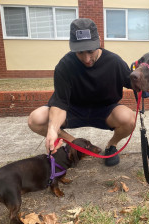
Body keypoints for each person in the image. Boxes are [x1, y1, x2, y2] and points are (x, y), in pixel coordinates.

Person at [28, 18, 135, 167]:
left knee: (129, 118)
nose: (86, 59)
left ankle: (111, 146)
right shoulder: (65, 65)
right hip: (73, 110)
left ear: (99, 42)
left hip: (105, 111)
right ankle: (74, 144)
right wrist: (52, 130)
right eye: (80, 52)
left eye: (90, 51)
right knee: (36, 119)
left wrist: (145, 79)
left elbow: (134, 83)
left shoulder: (114, 62)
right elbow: (60, 103)